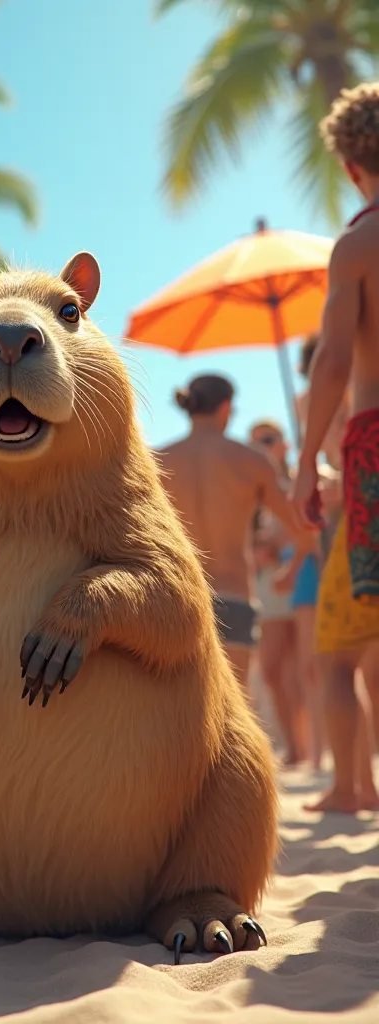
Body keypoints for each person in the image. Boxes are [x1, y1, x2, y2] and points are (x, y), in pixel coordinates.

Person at [292, 82, 379, 812]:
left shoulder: (358, 244)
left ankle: (352, 787)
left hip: (375, 447)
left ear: (352, 166)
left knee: (349, 644)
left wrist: (304, 461)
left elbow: (336, 362)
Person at [157, 375, 313, 689]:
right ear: (226, 407)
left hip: (178, 598)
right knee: (233, 712)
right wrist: (291, 570)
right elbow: (303, 530)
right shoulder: (251, 460)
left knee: (182, 715)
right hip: (234, 596)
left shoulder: (158, 461)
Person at [248, 421, 308, 766]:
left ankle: (305, 748)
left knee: (301, 670)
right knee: (272, 669)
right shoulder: (252, 488)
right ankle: (296, 746)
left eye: (268, 440)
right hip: (268, 586)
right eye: (256, 442)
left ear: (283, 444)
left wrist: (281, 545)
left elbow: (308, 532)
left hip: (300, 578)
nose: (262, 447)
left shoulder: (295, 483)